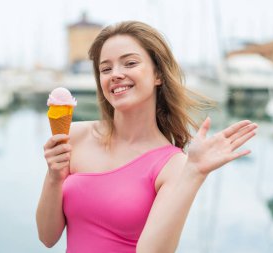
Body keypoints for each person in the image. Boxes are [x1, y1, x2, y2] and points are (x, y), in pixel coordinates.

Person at [36, 21, 258, 253]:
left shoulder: (174, 165)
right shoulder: (74, 136)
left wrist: (195, 174)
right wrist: (54, 176)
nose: (116, 75)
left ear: (158, 74)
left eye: (130, 63)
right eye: (106, 69)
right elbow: (47, 236)